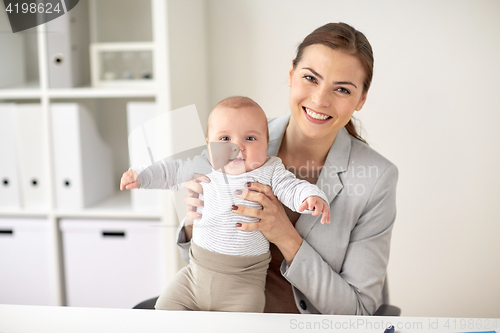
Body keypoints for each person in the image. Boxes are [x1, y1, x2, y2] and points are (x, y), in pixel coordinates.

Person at [178, 22, 399, 315]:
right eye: (310, 78)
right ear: (291, 74)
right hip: (224, 317)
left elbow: (358, 313)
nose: (320, 99)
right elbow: (195, 267)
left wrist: (285, 236)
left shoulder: (376, 178)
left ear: (361, 100)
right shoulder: (237, 137)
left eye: (342, 89)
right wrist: (195, 222)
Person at [120, 96, 330, 312]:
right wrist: (141, 176)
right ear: (209, 145)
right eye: (225, 138)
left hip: (243, 285)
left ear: (267, 144)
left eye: (249, 138)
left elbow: (292, 187)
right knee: (164, 310)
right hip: (194, 278)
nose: (237, 146)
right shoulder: (203, 165)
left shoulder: (270, 171)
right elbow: (169, 171)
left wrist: (309, 197)